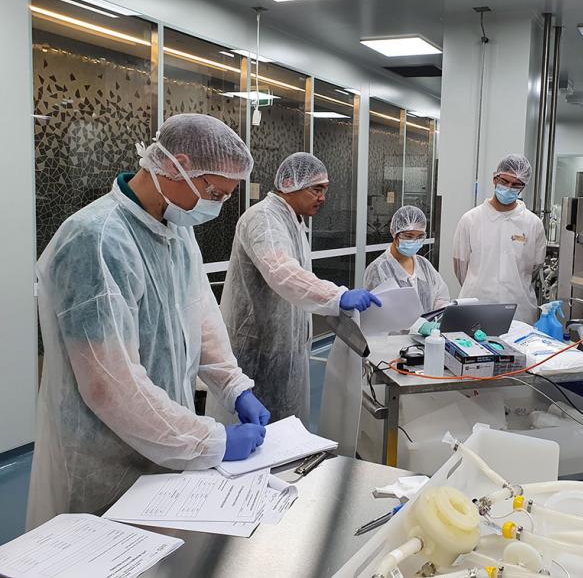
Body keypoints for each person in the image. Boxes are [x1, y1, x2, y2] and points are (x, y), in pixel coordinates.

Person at [28, 114, 271, 529]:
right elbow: (110, 386)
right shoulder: (97, 239)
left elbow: (201, 318)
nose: (217, 205)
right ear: (177, 167)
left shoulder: (175, 230)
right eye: (215, 192)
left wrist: (233, 386)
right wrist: (209, 441)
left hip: (168, 447)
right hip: (106, 461)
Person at [221, 152, 381, 424]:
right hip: (256, 349)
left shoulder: (293, 221)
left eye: (325, 189)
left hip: (285, 345)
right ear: (288, 183)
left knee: (286, 428)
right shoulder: (264, 220)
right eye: (316, 189)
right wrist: (337, 296)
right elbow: (282, 272)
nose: (323, 197)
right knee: (258, 432)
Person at [452, 154, 547, 324]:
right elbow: (461, 267)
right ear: (494, 179)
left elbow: (534, 268)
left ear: (522, 188)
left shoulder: (533, 224)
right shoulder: (470, 219)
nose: (509, 187)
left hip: (519, 312)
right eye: (504, 181)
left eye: (515, 184)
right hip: (476, 307)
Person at [364, 205, 450, 313]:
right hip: (395, 330)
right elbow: (383, 311)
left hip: (429, 329)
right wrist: (419, 325)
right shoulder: (378, 269)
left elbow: (440, 296)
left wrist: (440, 314)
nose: (414, 241)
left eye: (419, 237)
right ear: (394, 233)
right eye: (409, 236)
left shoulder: (424, 264)